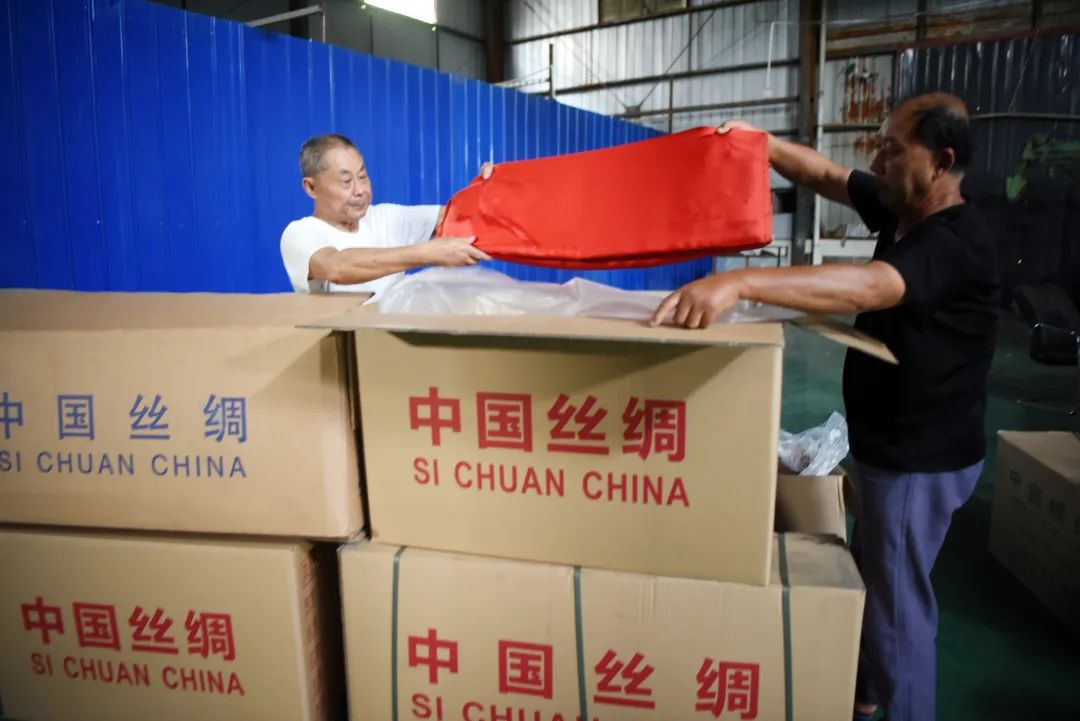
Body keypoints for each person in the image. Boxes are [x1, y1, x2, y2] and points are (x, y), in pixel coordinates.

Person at [653, 93, 999, 721]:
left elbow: (868, 286)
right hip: (890, 443)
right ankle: (862, 695)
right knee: (876, 578)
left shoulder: (954, 241)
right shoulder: (902, 204)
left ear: (942, 162)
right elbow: (828, 175)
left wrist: (739, 281)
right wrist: (762, 145)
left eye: (893, 150)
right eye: (880, 146)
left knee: (898, 613)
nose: (878, 161)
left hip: (920, 459)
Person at [280, 133, 492, 296]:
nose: (360, 190)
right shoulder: (300, 232)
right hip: (343, 340)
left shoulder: (387, 218)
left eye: (362, 176)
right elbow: (334, 267)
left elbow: (460, 216)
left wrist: (488, 189)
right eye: (346, 181)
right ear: (311, 187)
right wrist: (426, 253)